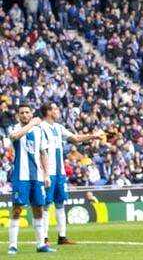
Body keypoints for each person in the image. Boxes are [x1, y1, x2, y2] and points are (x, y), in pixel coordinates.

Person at [39, 103, 103, 245]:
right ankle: (44, 238)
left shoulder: (58, 127)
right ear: (48, 111)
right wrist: (44, 172)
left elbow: (75, 138)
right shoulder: (41, 128)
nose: (58, 111)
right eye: (55, 108)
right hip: (48, 172)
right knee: (46, 205)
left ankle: (62, 237)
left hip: (59, 172)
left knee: (60, 203)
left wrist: (93, 136)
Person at [7, 104, 54, 254]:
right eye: (22, 113)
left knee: (38, 209)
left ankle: (41, 245)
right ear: (18, 115)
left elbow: (43, 153)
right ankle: (13, 245)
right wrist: (32, 124)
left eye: (27, 112)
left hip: (37, 176)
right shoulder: (13, 128)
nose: (25, 115)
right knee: (17, 209)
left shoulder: (39, 131)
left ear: (31, 113)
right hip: (20, 176)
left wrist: (46, 174)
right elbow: (15, 137)